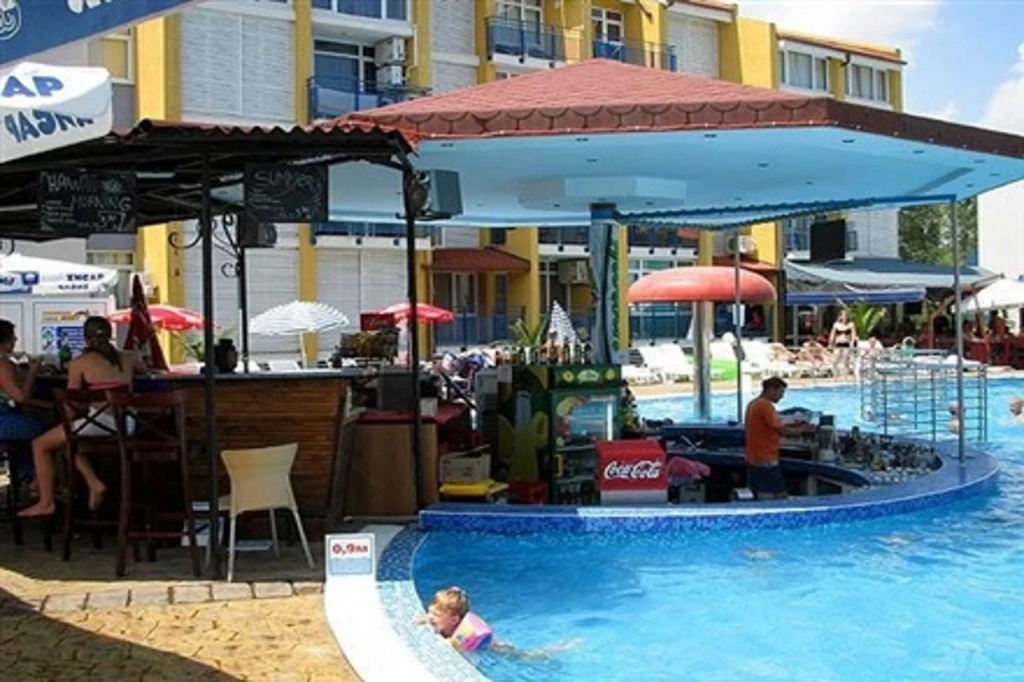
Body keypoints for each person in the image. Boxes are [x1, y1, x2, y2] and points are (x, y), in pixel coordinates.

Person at [18, 316, 135, 518]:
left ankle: (46, 502)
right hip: (129, 423)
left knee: (41, 444)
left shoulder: (79, 364)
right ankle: (92, 482)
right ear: (110, 335)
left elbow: (70, 407)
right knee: (66, 441)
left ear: (85, 338)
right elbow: (145, 369)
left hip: (102, 422)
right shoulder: (129, 358)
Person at [422, 587, 579, 659]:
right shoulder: (442, 621)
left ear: (454, 620)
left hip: (496, 648)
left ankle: (557, 648)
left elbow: (460, 653)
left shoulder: (464, 635)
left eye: (436, 615)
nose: (431, 617)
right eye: (430, 612)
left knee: (526, 656)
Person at [744, 377, 815, 500]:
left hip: (753, 456)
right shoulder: (765, 406)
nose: (782, 396)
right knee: (778, 494)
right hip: (766, 457)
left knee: (760, 492)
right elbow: (781, 430)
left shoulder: (753, 404)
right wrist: (803, 429)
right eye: (781, 392)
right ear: (771, 390)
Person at [0, 320, 46, 493]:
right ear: (5, 342)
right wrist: (32, 372)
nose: (16, 340)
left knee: (26, 435)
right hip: (3, 420)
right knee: (44, 429)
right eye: (13, 338)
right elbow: (20, 397)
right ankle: (38, 480)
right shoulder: (3, 365)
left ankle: (28, 476)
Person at [828, 309, 858, 379]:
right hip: (838, 344)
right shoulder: (836, 325)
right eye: (843, 316)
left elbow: (854, 335)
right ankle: (836, 375)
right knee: (834, 361)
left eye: (846, 316)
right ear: (840, 316)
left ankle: (845, 377)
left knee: (845, 362)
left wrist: (853, 343)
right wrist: (830, 343)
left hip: (846, 344)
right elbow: (832, 334)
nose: (844, 317)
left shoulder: (851, 325)